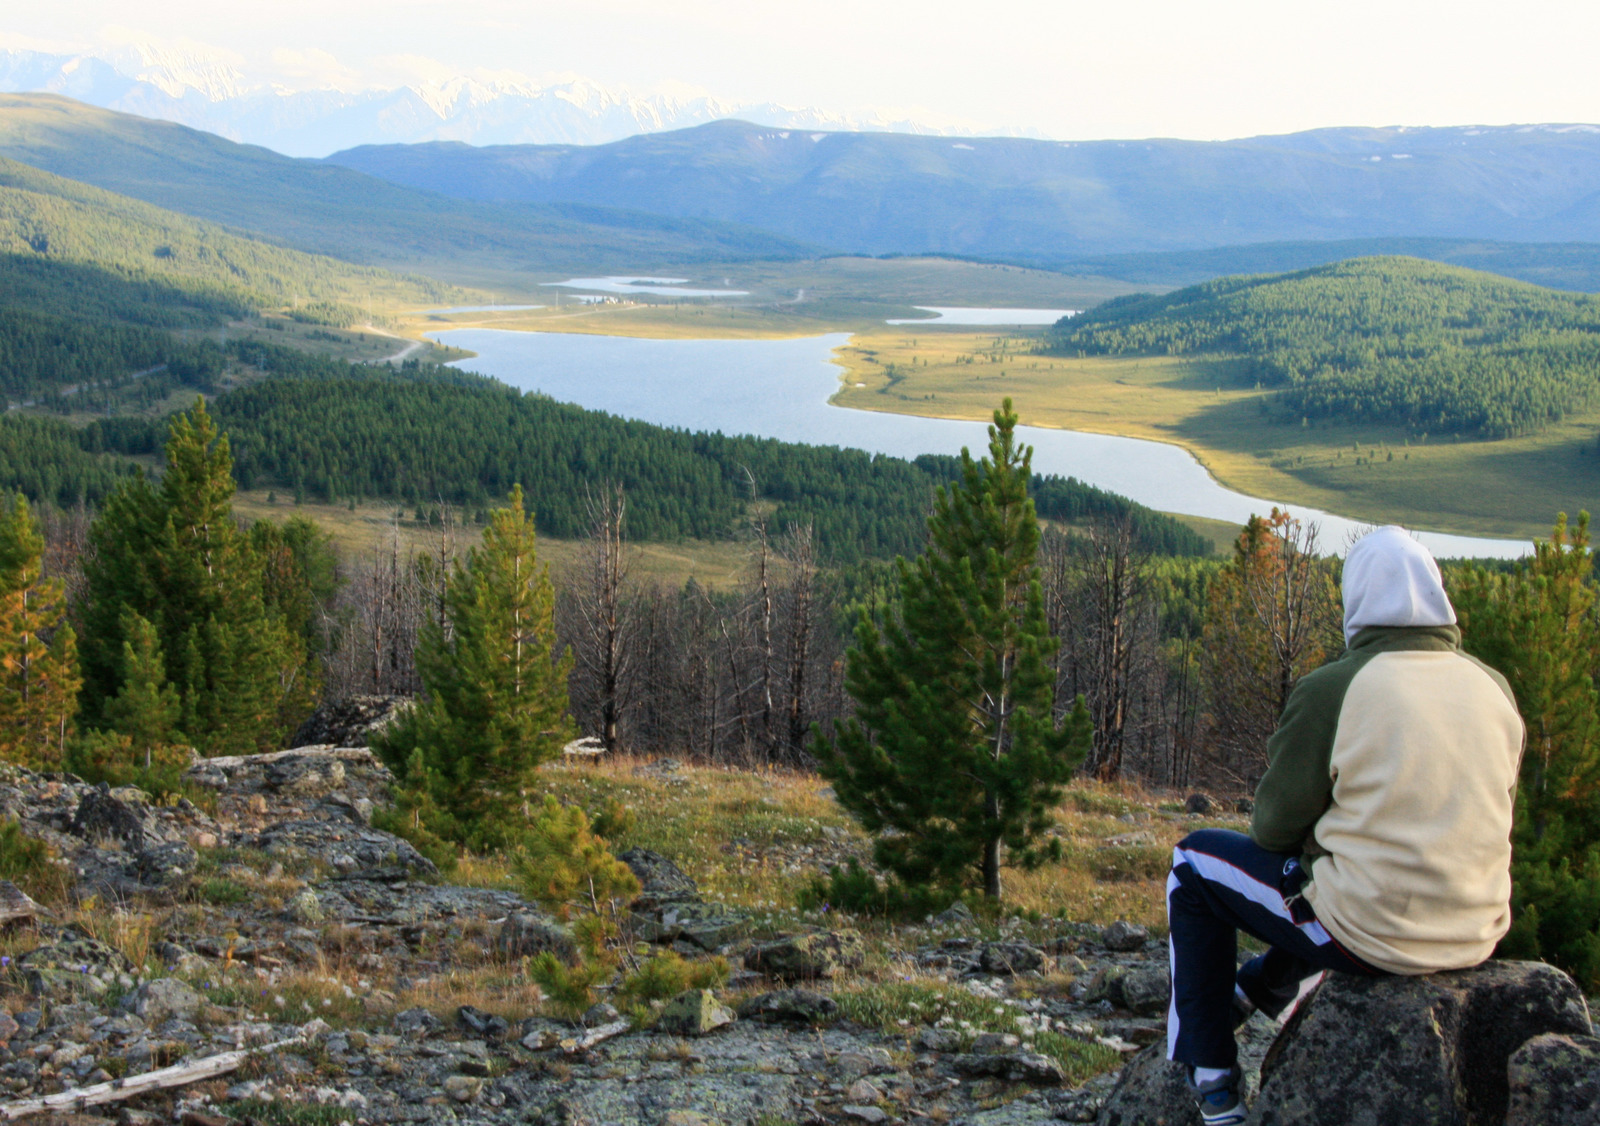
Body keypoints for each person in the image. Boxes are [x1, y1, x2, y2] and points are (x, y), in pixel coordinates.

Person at [1165, 526, 1525, 1125]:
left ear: (1355, 602)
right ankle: (1257, 991)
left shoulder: (1335, 688)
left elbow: (1272, 828)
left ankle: (1214, 1082)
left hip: (1371, 934)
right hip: (1476, 932)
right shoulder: (1493, 686)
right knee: (1333, 870)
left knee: (1194, 864)